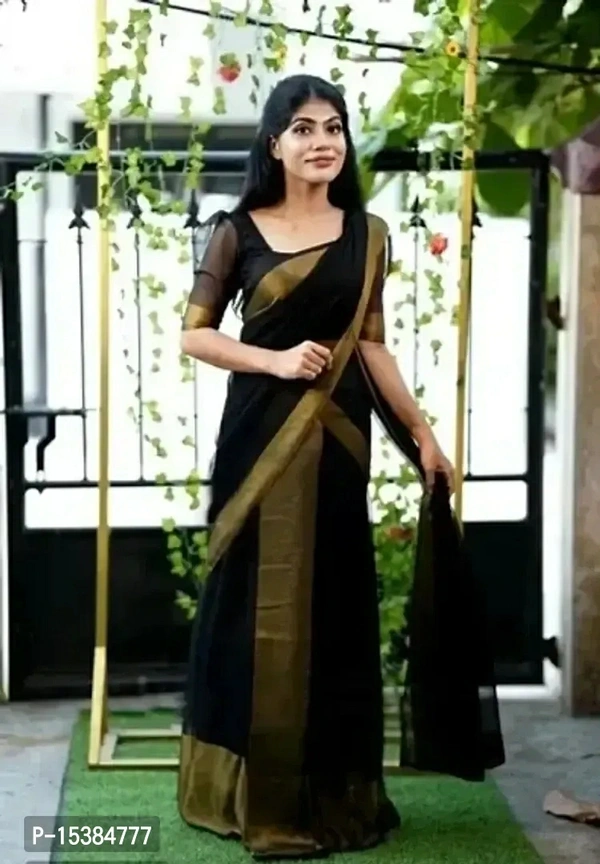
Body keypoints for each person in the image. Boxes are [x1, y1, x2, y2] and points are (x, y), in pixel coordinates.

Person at [177, 74, 505, 860]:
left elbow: (372, 346)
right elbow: (195, 334)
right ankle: (254, 800)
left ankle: (332, 796)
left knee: (330, 603)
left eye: (333, 127)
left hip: (338, 445)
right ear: (274, 144)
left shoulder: (369, 235)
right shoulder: (237, 231)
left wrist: (422, 435)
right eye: (303, 128)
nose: (322, 141)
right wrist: (275, 359)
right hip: (260, 440)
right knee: (254, 609)